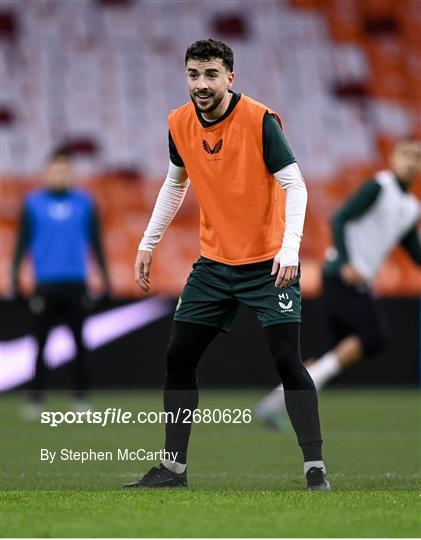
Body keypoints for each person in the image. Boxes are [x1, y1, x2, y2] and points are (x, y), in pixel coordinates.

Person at [124, 39, 329, 491]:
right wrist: (147, 242)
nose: (201, 83)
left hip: (268, 265)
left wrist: (289, 248)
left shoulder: (259, 120)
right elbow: (175, 182)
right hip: (214, 265)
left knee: (286, 360)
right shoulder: (179, 122)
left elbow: (296, 185)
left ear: (230, 77)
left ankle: (314, 467)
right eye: (194, 74)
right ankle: (173, 469)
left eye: (211, 74)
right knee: (178, 356)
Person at [255, 137, 421, 424]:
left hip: (355, 281)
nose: (410, 161)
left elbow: (412, 248)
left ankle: (272, 405)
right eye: (405, 155)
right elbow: (340, 218)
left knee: (330, 356)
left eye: (417, 157)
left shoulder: (410, 207)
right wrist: (346, 262)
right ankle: (284, 401)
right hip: (339, 276)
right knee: (375, 336)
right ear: (393, 159)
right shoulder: (379, 187)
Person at [12, 147, 110, 419]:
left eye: (65, 170)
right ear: (47, 172)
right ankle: (36, 398)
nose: (60, 174)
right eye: (56, 169)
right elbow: (21, 244)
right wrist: (14, 279)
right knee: (40, 344)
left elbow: (96, 243)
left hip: (76, 284)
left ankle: (80, 397)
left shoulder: (84, 202)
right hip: (45, 285)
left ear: (71, 173)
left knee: (79, 343)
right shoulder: (32, 203)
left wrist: (105, 279)